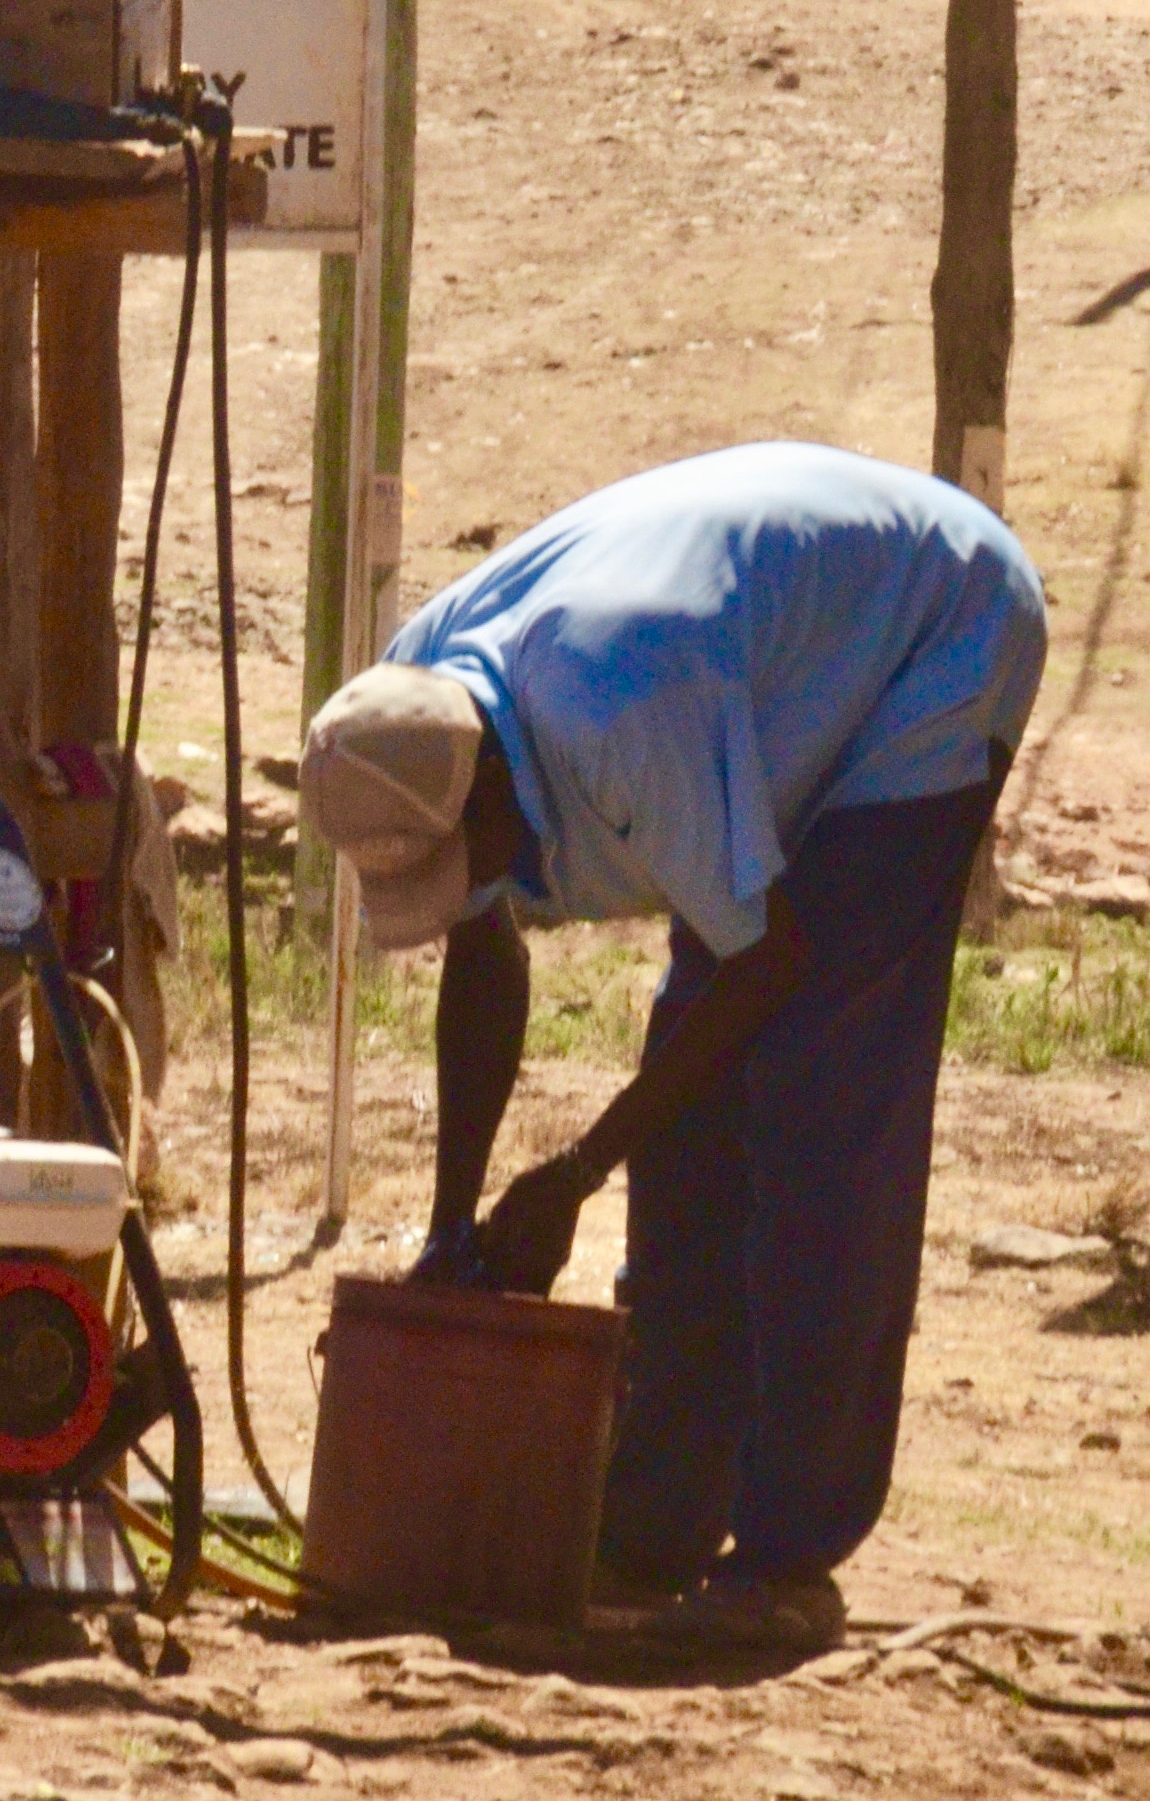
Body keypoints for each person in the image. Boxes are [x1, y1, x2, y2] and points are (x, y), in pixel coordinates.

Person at [301, 441, 1046, 1653]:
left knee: (816, 1107)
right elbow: (486, 952)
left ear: (489, 785)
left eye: (461, 855)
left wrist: (573, 1174)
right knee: (691, 1128)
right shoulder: (407, 709)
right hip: (768, 681)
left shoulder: (620, 708)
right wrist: (454, 1230)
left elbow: (768, 964)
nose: (464, 885)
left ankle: (791, 1557)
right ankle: (655, 1525)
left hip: (929, 638)